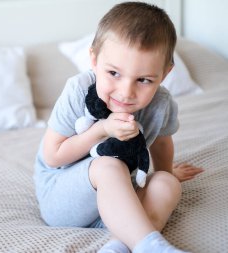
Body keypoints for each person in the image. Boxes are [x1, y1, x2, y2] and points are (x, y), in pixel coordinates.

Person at [33, 2, 203, 253]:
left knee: (167, 184)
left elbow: (162, 142)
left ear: (165, 74)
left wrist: (165, 172)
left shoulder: (161, 103)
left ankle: (119, 245)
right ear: (93, 59)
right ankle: (151, 245)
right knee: (108, 165)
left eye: (144, 80)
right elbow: (53, 156)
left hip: (118, 198)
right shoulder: (78, 90)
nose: (126, 92)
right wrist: (101, 130)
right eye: (113, 73)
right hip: (62, 197)